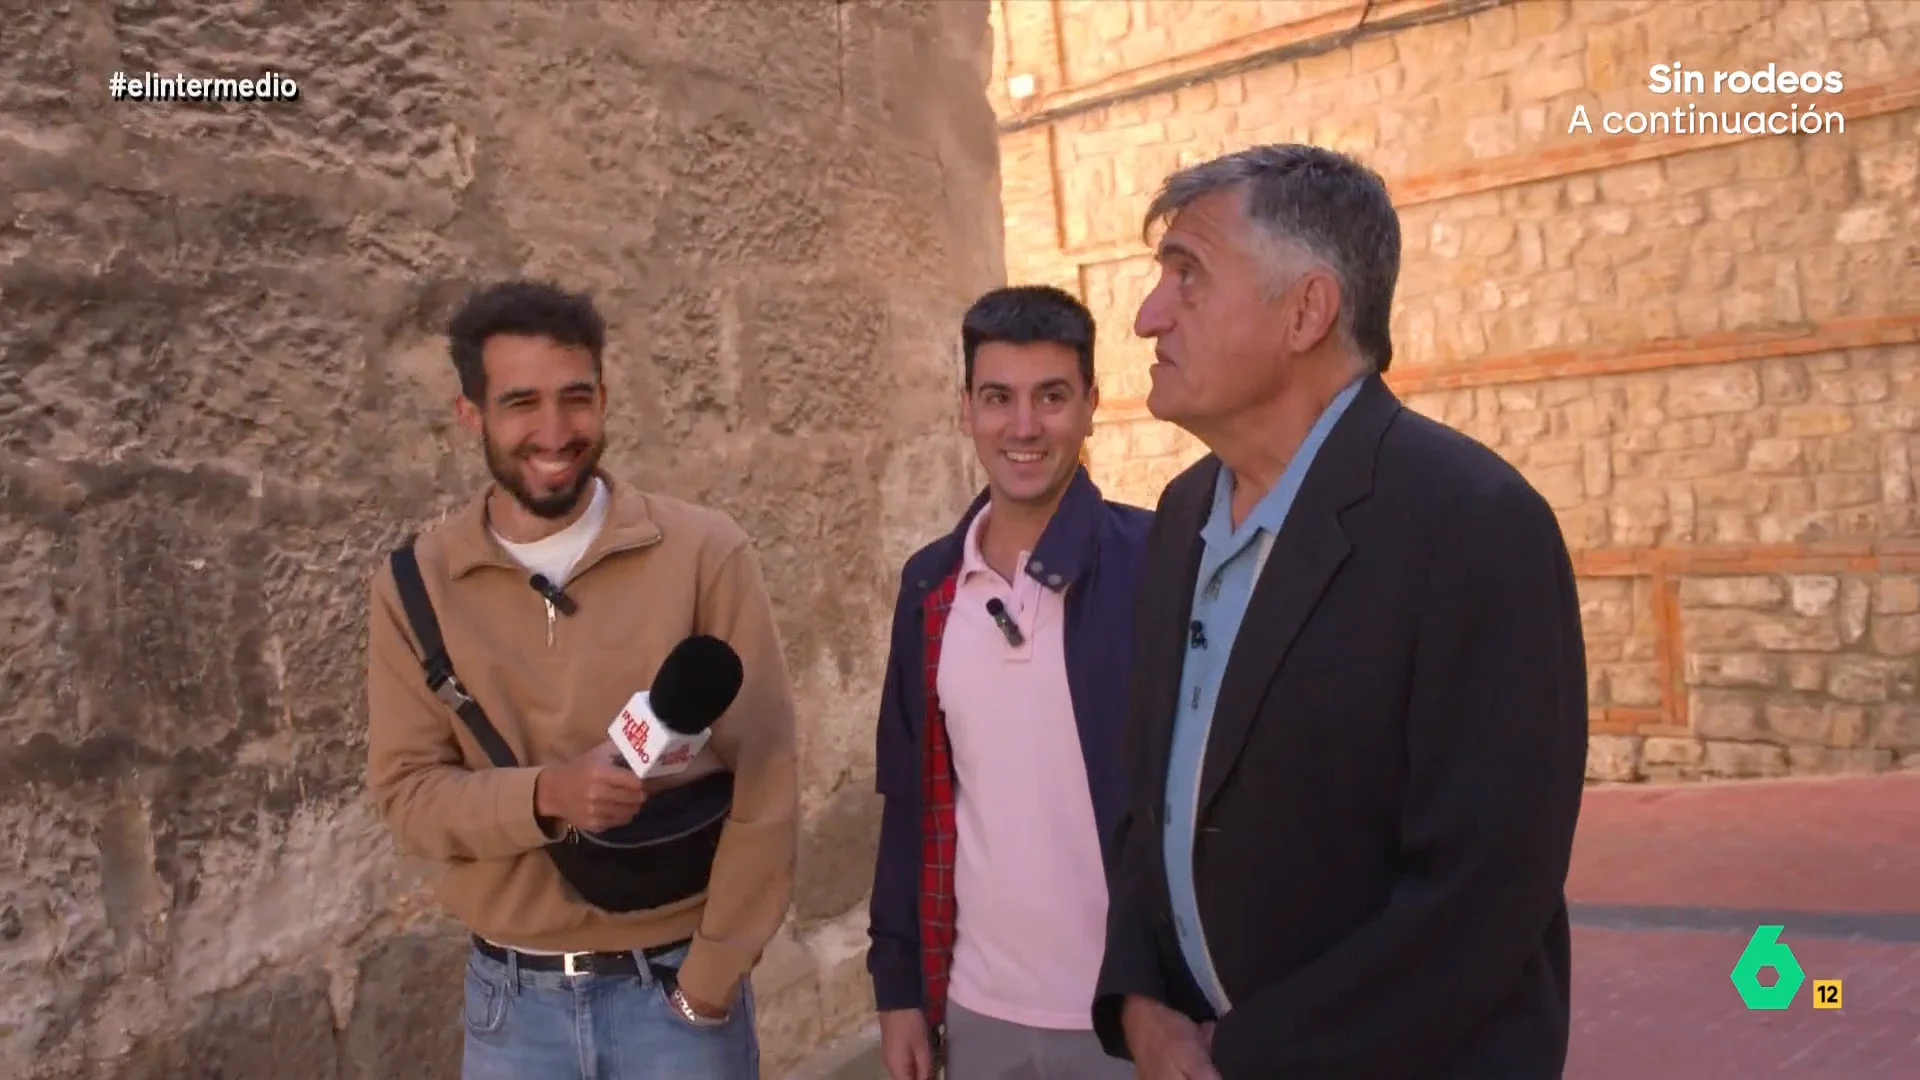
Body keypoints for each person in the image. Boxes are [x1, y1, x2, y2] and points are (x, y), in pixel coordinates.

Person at [1091, 144, 1590, 1080]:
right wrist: (1139, 1001)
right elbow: (1154, 804)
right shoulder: (1183, 513)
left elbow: (1483, 898)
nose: (1147, 316)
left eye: (1187, 277)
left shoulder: (1474, 525)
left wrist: (1242, 1055)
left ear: (1307, 311)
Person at [363, 279, 797, 1079]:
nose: (554, 431)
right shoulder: (415, 587)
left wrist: (710, 981)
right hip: (511, 1011)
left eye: (576, 398)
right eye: (521, 402)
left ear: (604, 397)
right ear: (472, 414)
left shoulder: (703, 552)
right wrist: (545, 795)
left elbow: (766, 775)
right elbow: (410, 800)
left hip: (673, 1002)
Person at [865, 285, 1153, 1080]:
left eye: (1051, 397)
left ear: (1092, 404)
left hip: (1134, 1020)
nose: (1023, 428)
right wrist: (899, 993)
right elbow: (910, 802)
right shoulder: (931, 588)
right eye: (998, 398)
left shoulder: (1158, 566)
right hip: (977, 1012)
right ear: (965, 408)